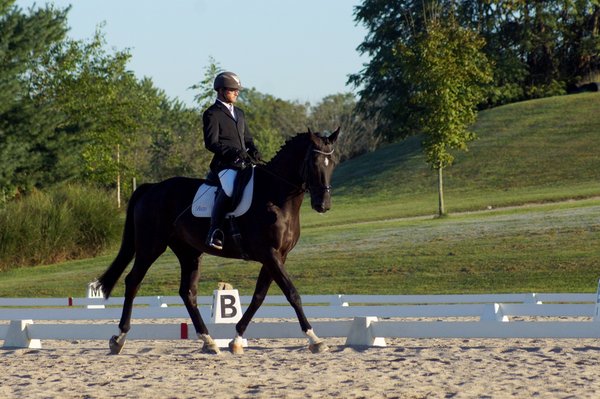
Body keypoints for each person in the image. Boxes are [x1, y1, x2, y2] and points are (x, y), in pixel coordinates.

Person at [202, 71, 261, 250]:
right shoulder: (212, 114)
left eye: (237, 90)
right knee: (228, 189)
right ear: (220, 90)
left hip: (244, 163)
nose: (237, 93)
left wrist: (254, 151)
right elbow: (211, 143)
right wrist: (234, 153)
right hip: (225, 165)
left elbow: (247, 139)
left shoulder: (240, 113)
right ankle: (215, 232)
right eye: (233, 90)